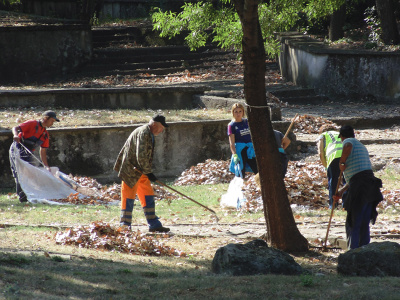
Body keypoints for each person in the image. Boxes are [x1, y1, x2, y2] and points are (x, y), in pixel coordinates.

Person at [114, 114, 170, 233]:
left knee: (147, 194)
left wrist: (147, 172)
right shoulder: (144, 133)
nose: (161, 131)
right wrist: (149, 172)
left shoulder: (148, 132)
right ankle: (125, 225)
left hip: (140, 170)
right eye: (161, 128)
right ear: (154, 124)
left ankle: (154, 224)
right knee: (128, 196)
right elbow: (141, 155)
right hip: (131, 170)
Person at [333, 125, 383, 250]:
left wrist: (342, 162)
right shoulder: (361, 146)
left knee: (353, 222)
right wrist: (341, 191)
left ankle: (353, 253)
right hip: (369, 185)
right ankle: (363, 251)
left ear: (342, 137)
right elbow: (355, 177)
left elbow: (347, 145)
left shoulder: (349, 142)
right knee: (363, 222)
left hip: (361, 186)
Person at [9, 110, 60, 202]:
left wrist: (46, 166)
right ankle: (22, 198)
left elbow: (43, 150)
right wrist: (16, 135)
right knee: (18, 173)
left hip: (28, 154)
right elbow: (15, 128)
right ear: (45, 118)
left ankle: (27, 195)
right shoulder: (32, 123)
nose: (52, 123)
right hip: (17, 149)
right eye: (52, 120)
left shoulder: (45, 134)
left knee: (28, 174)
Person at [317, 124, 344, 209]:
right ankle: (346, 204)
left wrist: (326, 166)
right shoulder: (339, 134)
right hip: (346, 155)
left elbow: (320, 153)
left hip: (334, 156)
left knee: (333, 181)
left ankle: (333, 205)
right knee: (346, 180)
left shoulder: (323, 135)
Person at [228, 103, 258, 178]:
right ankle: (240, 187)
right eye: (236, 112)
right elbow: (232, 142)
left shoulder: (247, 122)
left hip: (250, 150)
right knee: (240, 171)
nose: (238, 114)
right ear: (233, 112)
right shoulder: (231, 125)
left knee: (257, 169)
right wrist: (234, 154)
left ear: (243, 112)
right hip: (240, 150)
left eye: (240, 111)